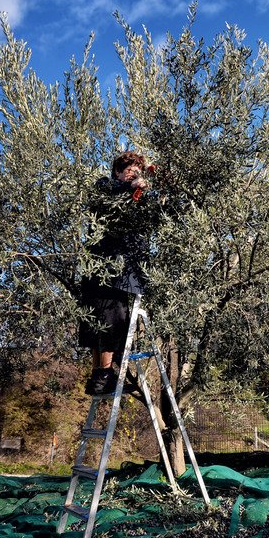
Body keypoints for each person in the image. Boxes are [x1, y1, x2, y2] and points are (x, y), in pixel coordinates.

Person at [78, 151, 157, 395]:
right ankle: (102, 376)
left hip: (124, 273)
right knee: (103, 323)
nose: (134, 174)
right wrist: (131, 186)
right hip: (103, 270)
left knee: (111, 321)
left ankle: (102, 377)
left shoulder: (139, 199)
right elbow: (106, 193)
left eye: (137, 171)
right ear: (117, 172)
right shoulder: (105, 186)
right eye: (129, 170)